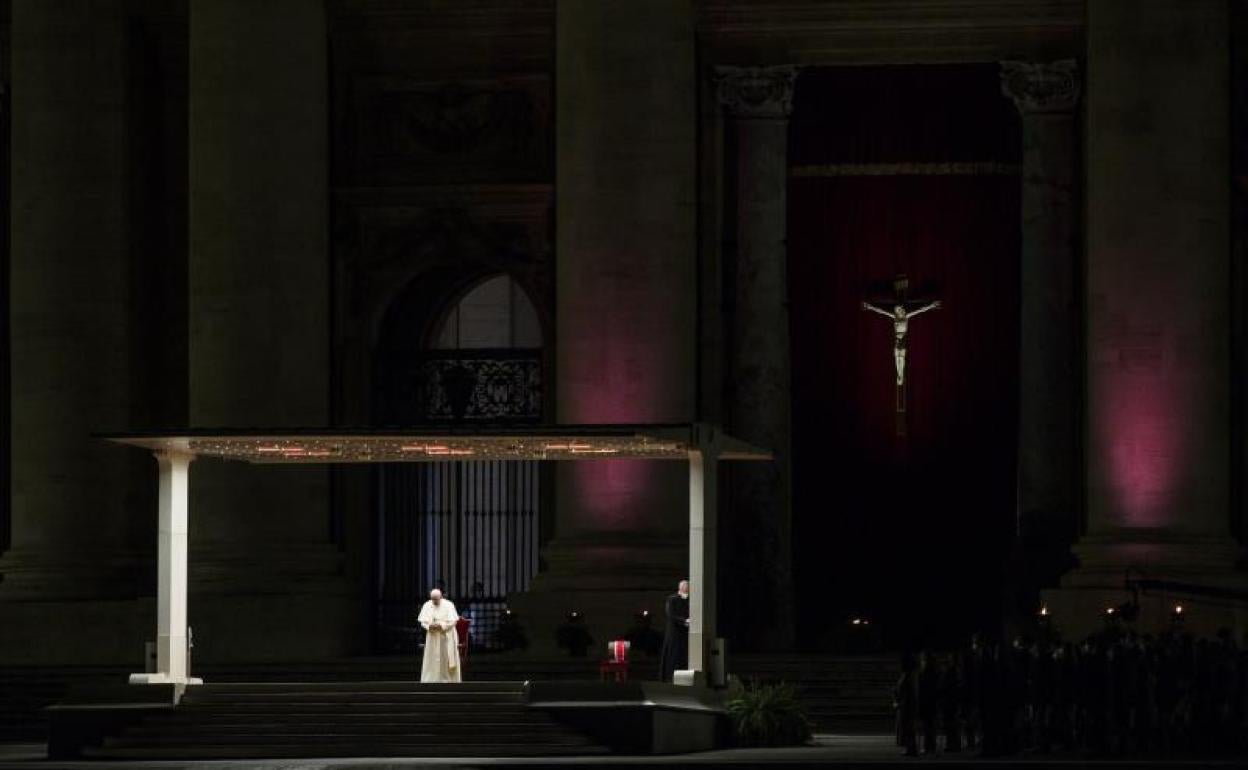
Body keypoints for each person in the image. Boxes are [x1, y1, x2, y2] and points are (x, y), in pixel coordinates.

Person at [418, 588, 461, 683]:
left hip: (446, 636)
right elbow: (423, 622)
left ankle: (449, 680)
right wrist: (429, 626)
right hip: (432, 637)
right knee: (432, 660)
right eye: (433, 599)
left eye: (436, 599)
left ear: (441, 597)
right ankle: (432, 679)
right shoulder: (427, 605)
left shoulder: (449, 605)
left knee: (445, 659)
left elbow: (453, 621)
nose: (434, 601)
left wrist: (441, 625)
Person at [659, 579, 690, 683]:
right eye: (686, 586)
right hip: (675, 632)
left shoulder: (690, 600)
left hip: (685, 632)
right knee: (673, 653)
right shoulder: (672, 599)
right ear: (680, 587)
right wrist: (684, 620)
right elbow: (670, 615)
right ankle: (670, 676)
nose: (688, 588)